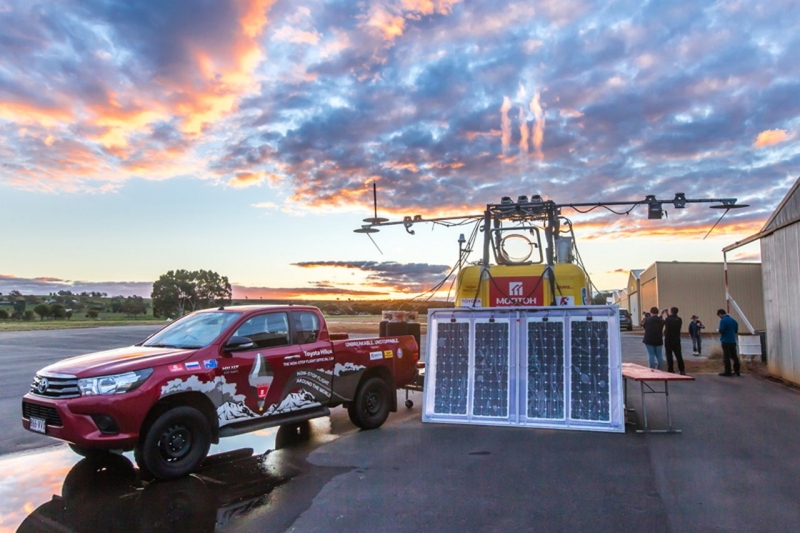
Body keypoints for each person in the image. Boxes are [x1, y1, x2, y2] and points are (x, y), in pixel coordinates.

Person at [716, 309, 740, 377]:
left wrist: (719, 331)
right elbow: (736, 331)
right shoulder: (734, 321)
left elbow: (722, 330)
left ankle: (727, 371)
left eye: (719, 315)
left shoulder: (723, 320)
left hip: (725, 340)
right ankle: (737, 371)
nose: (719, 317)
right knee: (734, 356)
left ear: (720, 314)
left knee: (726, 356)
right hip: (733, 340)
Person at [663, 307, 685, 374]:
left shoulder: (667, 319)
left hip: (668, 339)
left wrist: (664, 314)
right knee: (678, 355)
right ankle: (681, 369)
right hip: (676, 338)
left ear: (671, 311)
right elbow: (671, 319)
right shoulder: (679, 319)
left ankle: (671, 370)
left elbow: (666, 322)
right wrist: (667, 314)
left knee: (669, 354)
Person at [642, 306, 664, 370]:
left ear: (651, 312)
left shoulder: (647, 320)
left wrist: (644, 318)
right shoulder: (661, 320)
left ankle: (652, 368)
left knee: (651, 354)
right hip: (658, 339)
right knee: (659, 355)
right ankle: (660, 368)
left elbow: (644, 326)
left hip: (649, 339)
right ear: (657, 312)